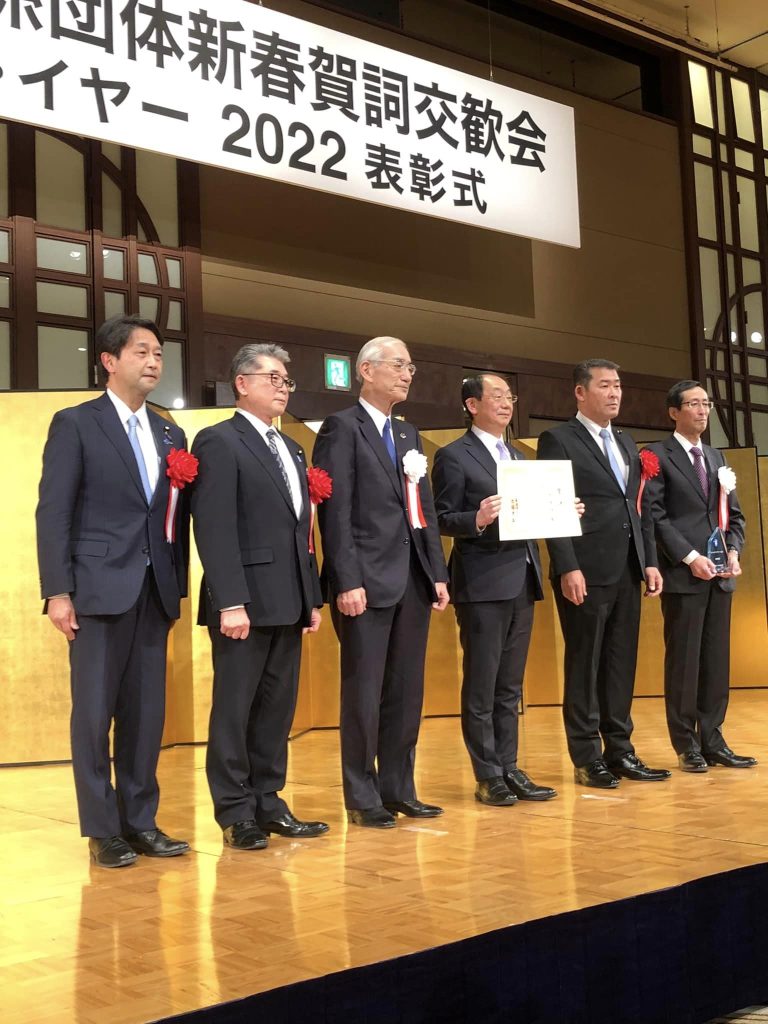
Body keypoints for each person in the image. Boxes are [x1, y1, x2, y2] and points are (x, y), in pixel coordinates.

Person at [36, 315, 190, 868]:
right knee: (94, 713)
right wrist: (58, 591)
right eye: (141, 351)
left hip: (154, 591)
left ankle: (140, 821)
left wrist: (176, 584)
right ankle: (104, 829)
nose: (153, 362)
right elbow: (54, 512)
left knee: (146, 715)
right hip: (97, 590)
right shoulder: (77, 423)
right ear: (109, 360)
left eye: (159, 354)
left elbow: (174, 519)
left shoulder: (171, 434)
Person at [191, 343, 327, 851]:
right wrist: (230, 600)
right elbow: (215, 526)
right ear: (241, 383)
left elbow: (301, 532)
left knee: (276, 709)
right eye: (272, 378)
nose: (282, 387)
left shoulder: (292, 447)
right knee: (235, 709)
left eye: (286, 380)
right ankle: (235, 812)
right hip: (243, 603)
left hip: (289, 600)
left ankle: (269, 801)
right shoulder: (219, 440)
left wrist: (311, 597)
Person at [313, 336, 450, 828]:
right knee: (364, 692)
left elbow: (423, 509)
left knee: (406, 691)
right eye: (398, 365)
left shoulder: (408, 433)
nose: (407, 374)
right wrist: (346, 579)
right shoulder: (341, 427)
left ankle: (399, 788)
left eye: (411, 366)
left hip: (412, 578)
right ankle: (362, 795)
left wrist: (437, 571)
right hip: (365, 582)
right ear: (367, 371)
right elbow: (336, 512)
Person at [537, 359, 670, 788]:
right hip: (585, 568)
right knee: (585, 662)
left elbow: (638, 507)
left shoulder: (627, 441)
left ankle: (620, 749)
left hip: (627, 566)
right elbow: (553, 507)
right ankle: (586, 756)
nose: (615, 393)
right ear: (580, 392)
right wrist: (567, 565)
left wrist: (649, 560)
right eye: (605, 385)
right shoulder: (558, 439)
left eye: (618, 386)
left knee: (619, 661)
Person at [432, 374, 558, 806]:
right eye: (498, 396)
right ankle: (487, 774)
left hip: (522, 577)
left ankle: (510, 766)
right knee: (482, 684)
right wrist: (478, 518)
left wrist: (561, 510)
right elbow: (442, 517)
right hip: (482, 582)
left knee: (510, 685)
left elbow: (531, 514)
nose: (507, 404)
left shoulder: (519, 456)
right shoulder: (453, 455)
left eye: (510, 397)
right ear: (472, 405)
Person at [644, 381, 755, 772]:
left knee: (715, 661)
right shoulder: (656, 455)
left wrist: (734, 552)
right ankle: (685, 744)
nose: (703, 410)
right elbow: (655, 516)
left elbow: (734, 517)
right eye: (693, 404)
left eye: (706, 403)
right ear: (674, 412)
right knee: (684, 662)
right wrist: (690, 557)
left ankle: (713, 738)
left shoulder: (715, 456)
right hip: (684, 575)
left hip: (720, 576)